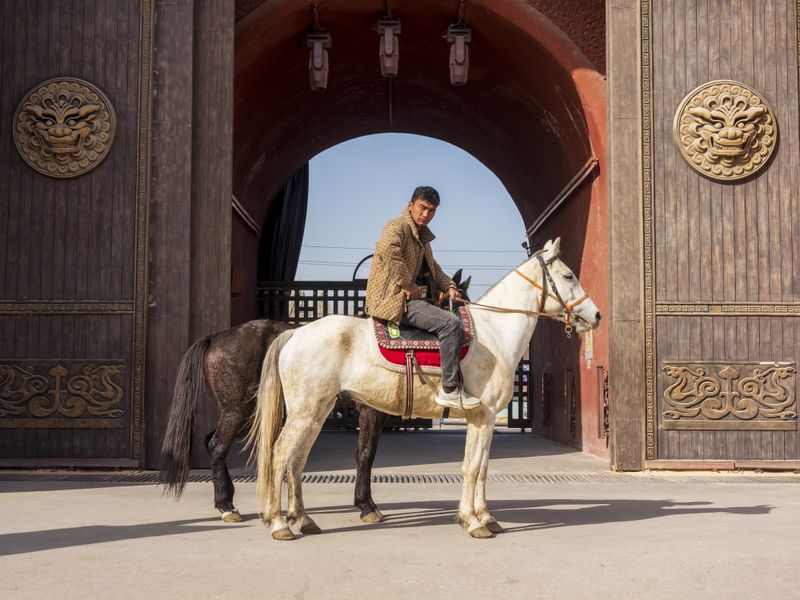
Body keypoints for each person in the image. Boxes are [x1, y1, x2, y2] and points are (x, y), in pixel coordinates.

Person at [365, 186, 480, 410]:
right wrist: (407, 284)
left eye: (432, 211)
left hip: (413, 300)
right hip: (396, 300)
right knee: (450, 323)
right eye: (422, 208)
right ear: (411, 206)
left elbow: (434, 268)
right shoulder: (396, 226)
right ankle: (450, 389)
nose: (426, 214)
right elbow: (388, 251)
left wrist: (449, 286)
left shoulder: (423, 240)